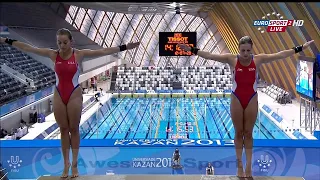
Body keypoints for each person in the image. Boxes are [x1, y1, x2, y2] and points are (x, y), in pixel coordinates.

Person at [0, 28, 139, 178]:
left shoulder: (79, 54)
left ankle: (74, 165)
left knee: (74, 129)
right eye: (59, 42)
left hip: (74, 93)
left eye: (65, 42)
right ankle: (65, 165)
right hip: (59, 94)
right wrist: (5, 40)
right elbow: (28, 48)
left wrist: (125, 47)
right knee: (63, 129)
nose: (62, 46)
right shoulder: (53, 54)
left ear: (71, 41)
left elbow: (104, 51)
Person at [178, 37, 314, 177]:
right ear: (238, 49)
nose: (245, 53)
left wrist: (300, 47)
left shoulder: (258, 59)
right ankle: (239, 167)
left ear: (252, 49)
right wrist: (192, 49)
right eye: (243, 50)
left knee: (248, 133)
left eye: (248, 50)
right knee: (238, 133)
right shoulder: (232, 59)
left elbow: (280, 55)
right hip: (236, 97)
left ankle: (248, 167)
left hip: (251, 98)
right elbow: (210, 55)